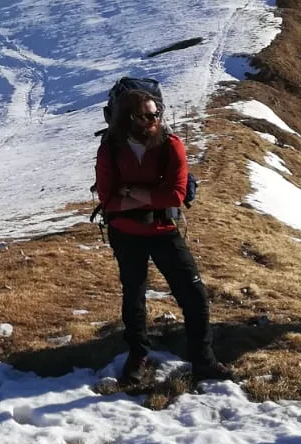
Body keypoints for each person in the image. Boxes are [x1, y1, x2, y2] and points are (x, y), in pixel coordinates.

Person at [93, 87, 231, 385]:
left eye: (155, 114)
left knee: (194, 295)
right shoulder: (111, 148)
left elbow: (176, 195)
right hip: (126, 233)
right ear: (127, 118)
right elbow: (108, 200)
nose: (152, 120)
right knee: (134, 295)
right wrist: (151, 196)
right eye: (144, 116)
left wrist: (132, 194)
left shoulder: (171, 145)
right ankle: (138, 355)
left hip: (164, 230)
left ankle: (203, 359)